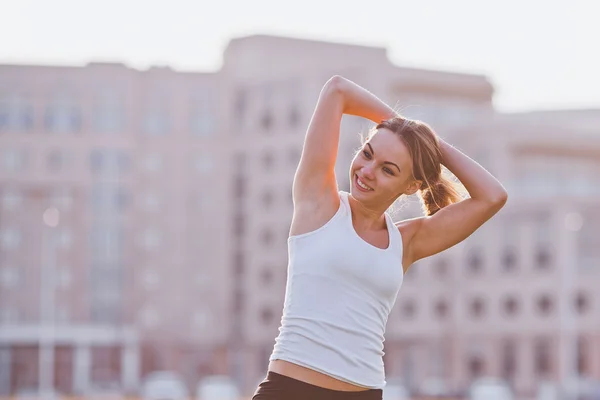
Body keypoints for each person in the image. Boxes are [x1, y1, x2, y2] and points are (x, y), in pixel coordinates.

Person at [251, 75, 508, 400]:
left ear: (412, 186)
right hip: (290, 390)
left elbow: (493, 197)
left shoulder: (407, 242)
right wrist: (402, 127)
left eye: (389, 169)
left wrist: (429, 145)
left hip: (365, 393)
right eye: (367, 153)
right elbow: (337, 89)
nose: (367, 170)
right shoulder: (319, 202)